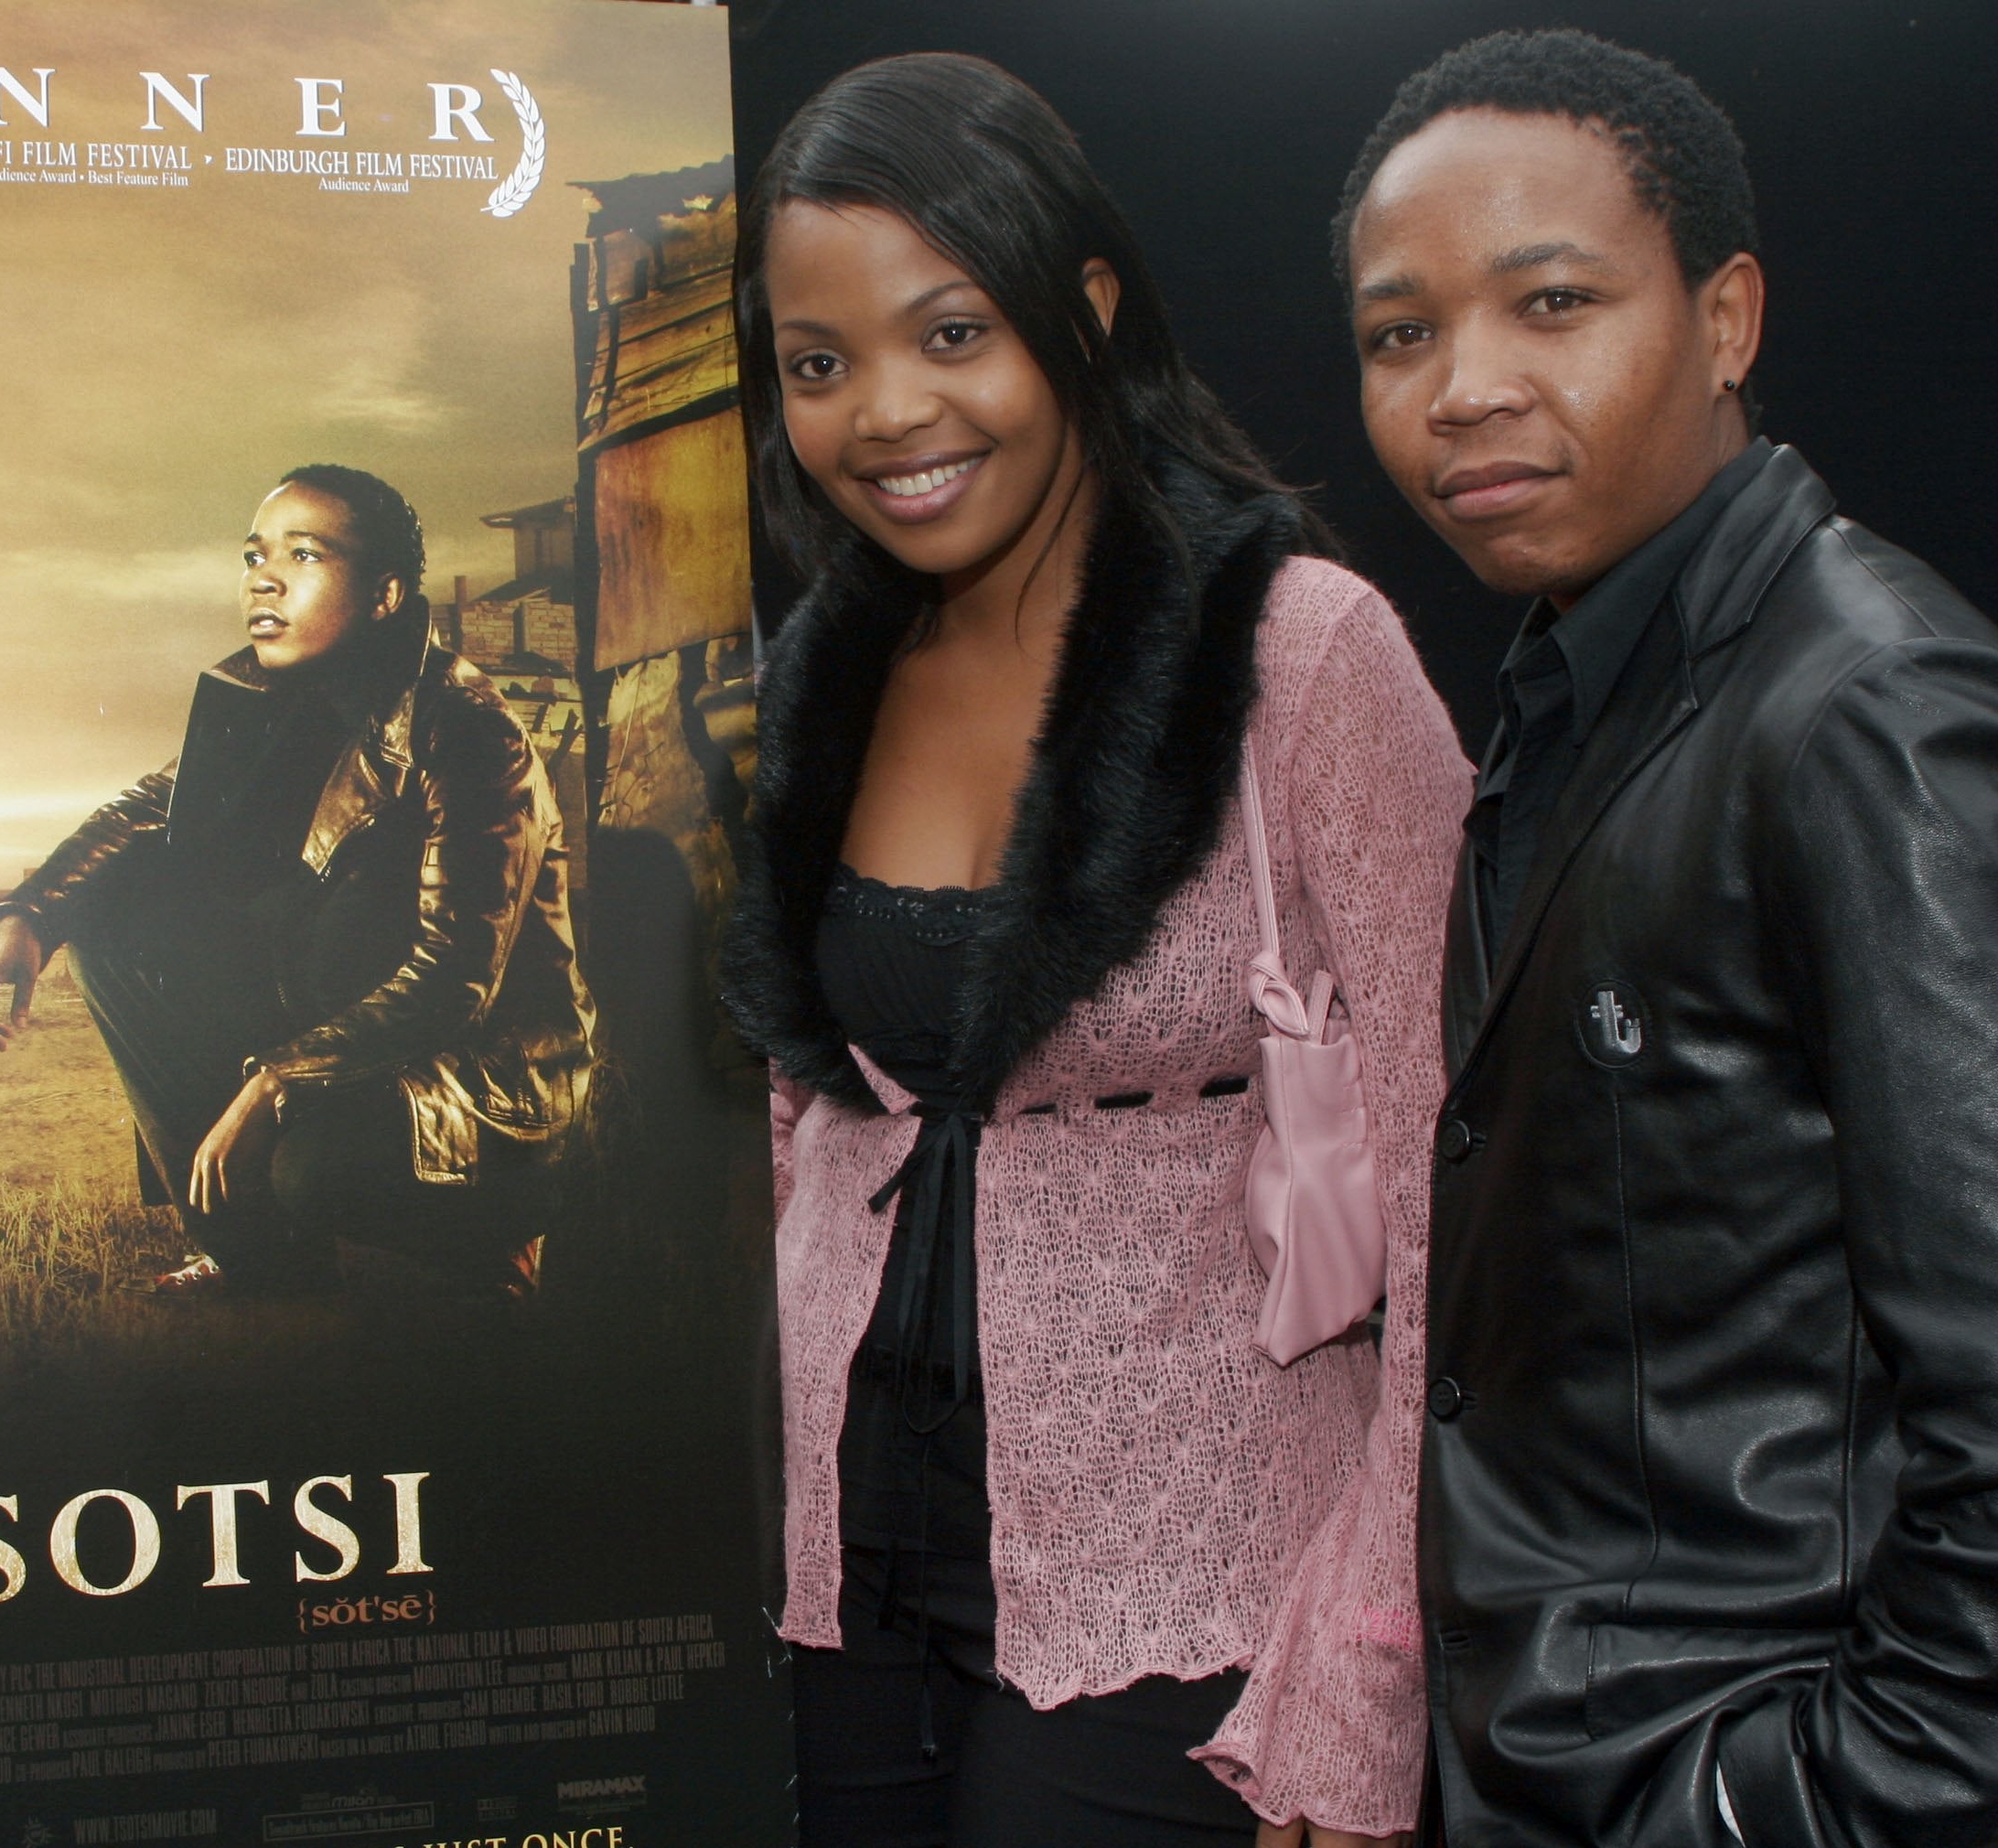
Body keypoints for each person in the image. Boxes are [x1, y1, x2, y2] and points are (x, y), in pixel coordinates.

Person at [1333, 29, 1998, 1846]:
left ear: (1726, 319)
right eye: (1401, 333)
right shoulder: (1586, 689)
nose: (1465, 387)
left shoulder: (1877, 717)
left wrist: (1761, 1809)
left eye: (1553, 302)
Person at [723, 53, 1468, 1847]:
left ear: (1089, 305)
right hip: (848, 1584)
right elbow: (805, 1116)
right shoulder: (820, 669)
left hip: (1189, 1586)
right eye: (818, 363)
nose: (886, 411)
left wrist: (1372, 1661)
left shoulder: (1299, 648)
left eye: (950, 332)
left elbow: (1467, 1188)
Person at [0, 464, 596, 1295]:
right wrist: (29, 916)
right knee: (115, 926)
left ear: (384, 594)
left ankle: (495, 1239)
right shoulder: (274, 700)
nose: (263, 579)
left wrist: (277, 1083)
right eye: (254, 555)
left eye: (303, 555)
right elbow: (146, 811)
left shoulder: (467, 730)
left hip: (477, 1082)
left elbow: (455, 981)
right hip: (341, 1040)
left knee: (313, 1170)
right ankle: (251, 1255)